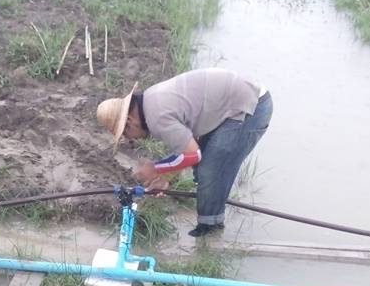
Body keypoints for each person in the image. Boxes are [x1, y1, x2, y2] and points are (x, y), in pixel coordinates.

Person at [96, 68, 272, 238]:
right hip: (238, 102)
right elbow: (187, 146)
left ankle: (210, 234)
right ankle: (211, 222)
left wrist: (155, 168)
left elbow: (192, 155)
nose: (130, 139)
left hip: (251, 107)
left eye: (125, 134)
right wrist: (165, 178)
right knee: (203, 167)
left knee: (211, 170)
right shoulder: (151, 101)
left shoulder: (156, 118)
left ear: (129, 122)